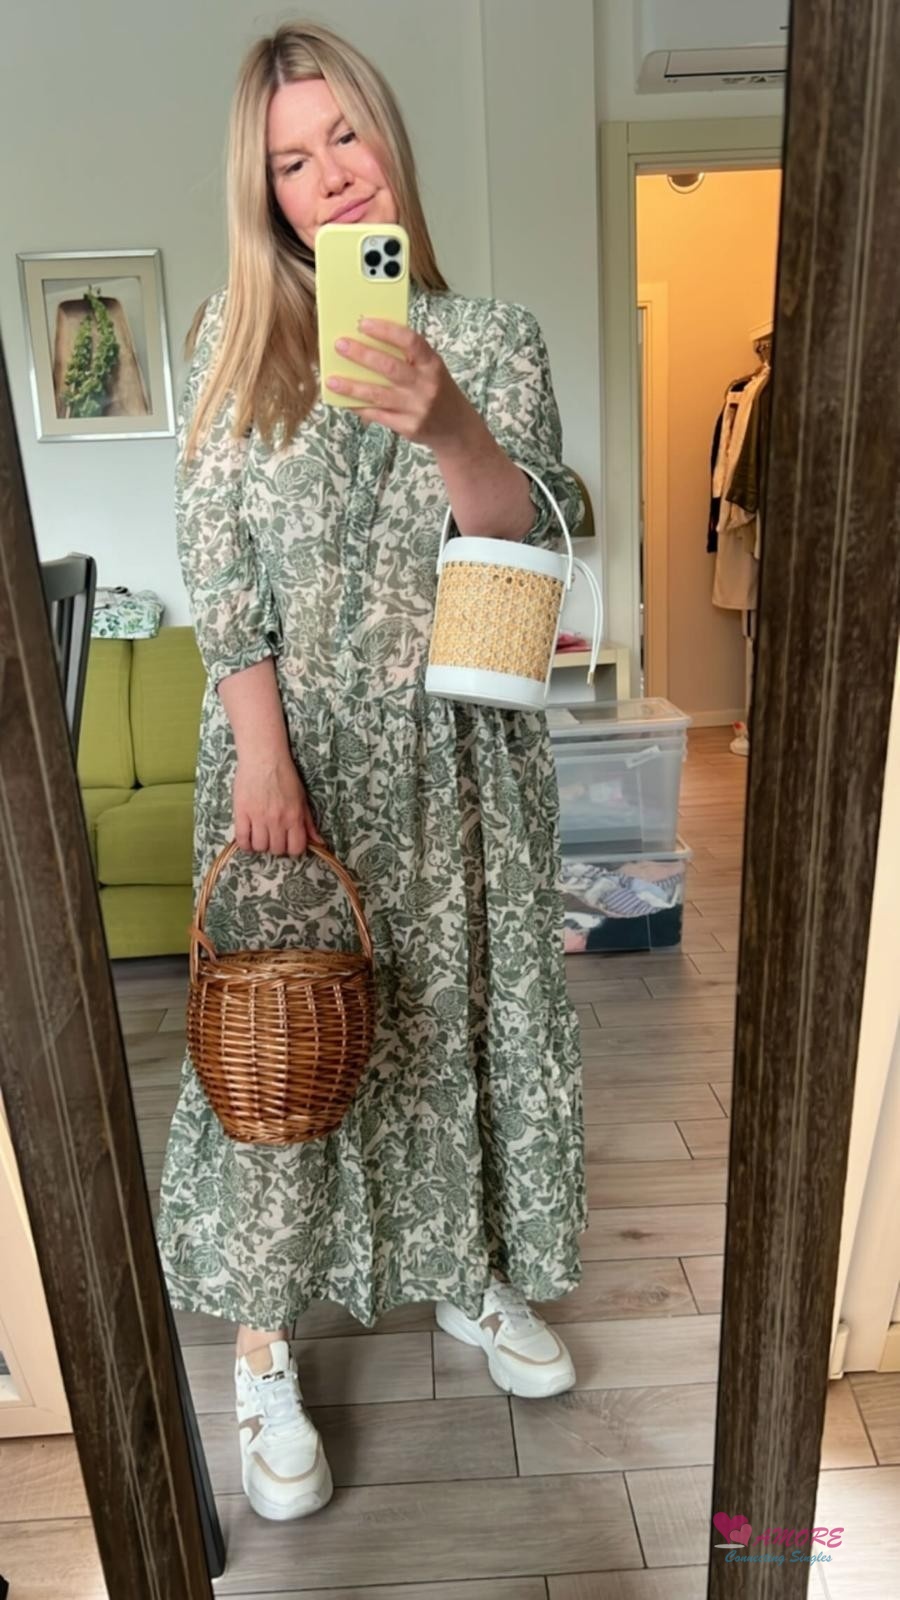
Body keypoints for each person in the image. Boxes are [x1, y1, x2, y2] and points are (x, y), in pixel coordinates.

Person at [154, 18, 588, 1523]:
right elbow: (221, 569)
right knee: (282, 1053)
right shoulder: (230, 342)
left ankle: (468, 1270)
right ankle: (263, 1346)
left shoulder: (499, 340)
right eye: (292, 161)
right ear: (265, 193)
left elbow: (527, 550)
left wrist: (451, 420)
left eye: (346, 136)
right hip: (297, 767)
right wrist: (264, 757)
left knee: (452, 1030)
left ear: (390, 138)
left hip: (460, 765)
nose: (330, 177)